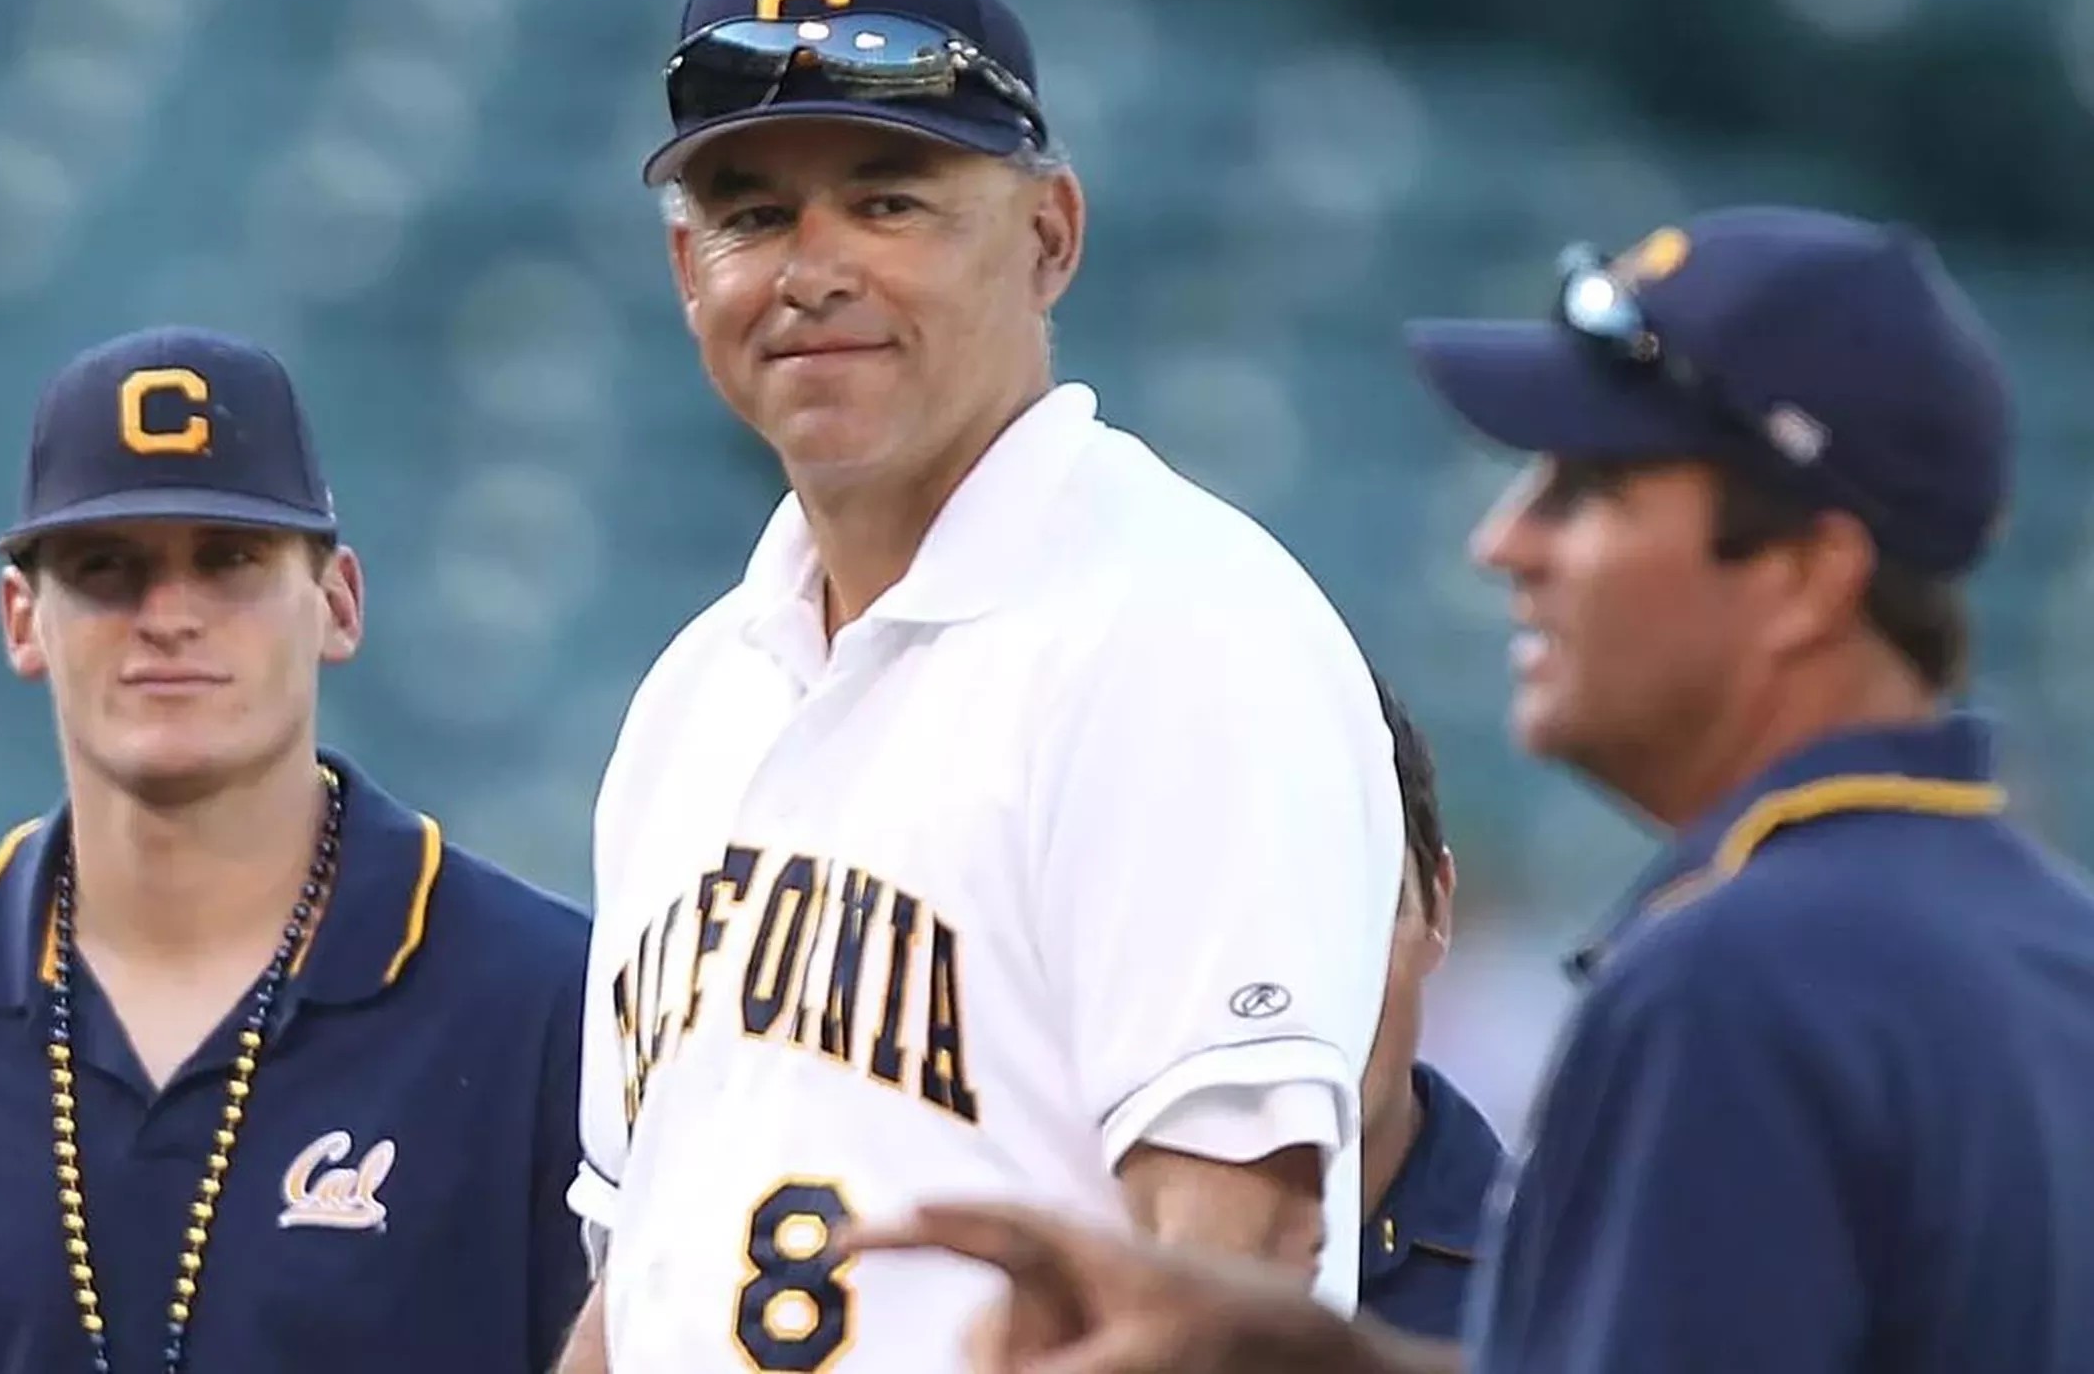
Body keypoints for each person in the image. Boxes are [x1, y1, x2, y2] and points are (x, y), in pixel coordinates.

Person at [851, 206, 2094, 1374]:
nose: (1504, 540)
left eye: (1588, 490)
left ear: (1806, 574)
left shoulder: (1738, 977)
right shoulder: (2041, 942)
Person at [554, 0, 1408, 1373]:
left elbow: (1228, 1252)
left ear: (1049, 234)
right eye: (753, 216)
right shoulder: (696, 694)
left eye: (888, 202)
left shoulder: (1179, 628)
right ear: (688, 270)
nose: (811, 270)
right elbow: (645, 1273)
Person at [0, 326, 594, 1374]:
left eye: (229, 559)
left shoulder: (538, 996)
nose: (169, 616)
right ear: (23, 619)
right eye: (107, 568)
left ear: (337, 601)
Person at [1354, 675, 1501, 1343]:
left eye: (1349, 909)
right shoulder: (1033, 1264)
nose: (1291, 985)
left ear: (1438, 907)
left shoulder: (1571, 1277)